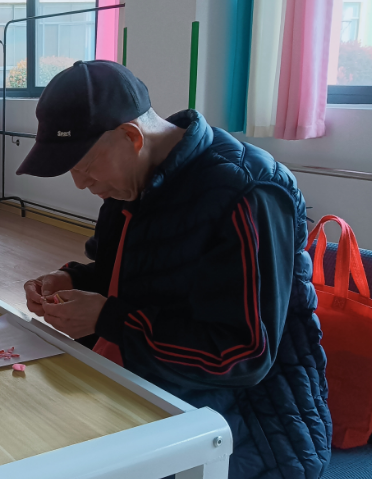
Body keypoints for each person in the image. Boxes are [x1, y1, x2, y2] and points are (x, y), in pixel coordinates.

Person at [20, 61, 331, 479]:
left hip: (250, 429)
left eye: (86, 167)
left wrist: (108, 319)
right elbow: (130, 276)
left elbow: (242, 356)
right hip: (147, 388)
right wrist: (73, 279)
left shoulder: (247, 191)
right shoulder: (128, 186)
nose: (80, 183)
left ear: (131, 137)